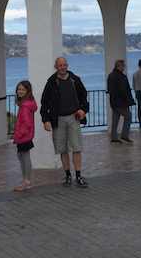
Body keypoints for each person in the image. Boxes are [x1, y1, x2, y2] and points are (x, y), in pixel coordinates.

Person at [40, 56, 90, 188]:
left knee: (76, 147)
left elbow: (84, 97)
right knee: (62, 149)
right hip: (58, 119)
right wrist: (46, 119)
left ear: (67, 66)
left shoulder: (75, 80)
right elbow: (44, 102)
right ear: (55, 67)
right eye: (60, 65)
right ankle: (68, 175)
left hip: (74, 118)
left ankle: (78, 175)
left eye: (64, 65)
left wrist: (84, 110)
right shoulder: (51, 82)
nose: (62, 67)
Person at [13, 80, 36, 191]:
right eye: (19, 89)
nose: (20, 91)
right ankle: (25, 180)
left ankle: (26, 181)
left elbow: (26, 123)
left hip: (24, 135)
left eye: (23, 89)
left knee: (24, 156)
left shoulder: (25, 106)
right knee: (21, 155)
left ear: (27, 91)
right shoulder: (26, 104)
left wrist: (20, 133)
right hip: (25, 135)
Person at [107, 59, 135, 143]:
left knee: (115, 119)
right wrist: (129, 99)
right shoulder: (121, 77)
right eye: (123, 65)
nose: (124, 67)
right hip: (121, 102)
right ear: (120, 66)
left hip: (113, 101)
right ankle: (124, 135)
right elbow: (123, 90)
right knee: (128, 116)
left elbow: (109, 88)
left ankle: (114, 137)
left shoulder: (111, 75)